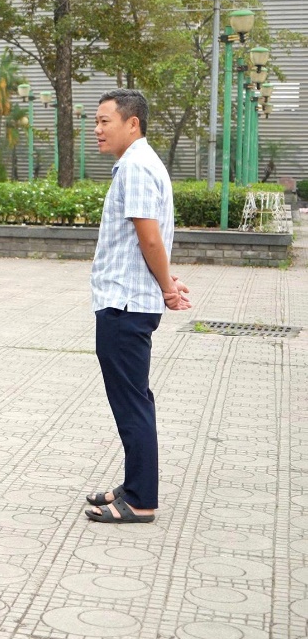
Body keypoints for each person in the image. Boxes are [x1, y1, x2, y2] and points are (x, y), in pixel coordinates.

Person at [83, 88, 189, 524]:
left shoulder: (136, 166)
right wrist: (165, 281)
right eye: (96, 121)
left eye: (104, 121)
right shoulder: (137, 163)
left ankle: (141, 501)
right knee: (133, 399)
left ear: (133, 123)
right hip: (126, 298)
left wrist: (167, 287)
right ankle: (134, 485)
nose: (97, 129)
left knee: (132, 404)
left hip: (124, 304)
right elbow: (145, 240)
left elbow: (149, 237)